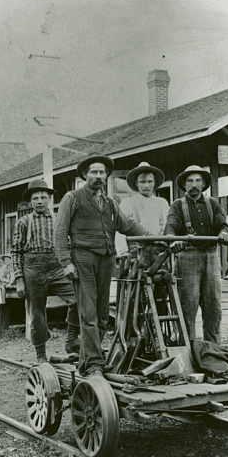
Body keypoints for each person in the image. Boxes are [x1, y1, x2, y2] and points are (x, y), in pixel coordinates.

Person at [55, 154, 150, 377]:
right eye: (94, 172)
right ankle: (95, 363)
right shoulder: (73, 198)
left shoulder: (110, 203)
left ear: (106, 176)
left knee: (103, 313)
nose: (98, 176)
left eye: (101, 172)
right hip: (83, 259)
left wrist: (153, 237)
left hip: (106, 259)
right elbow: (60, 231)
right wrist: (65, 262)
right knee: (88, 313)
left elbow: (128, 226)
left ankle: (88, 359)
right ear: (85, 175)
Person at [12, 178, 80, 363]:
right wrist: (19, 279)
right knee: (37, 314)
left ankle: (72, 340)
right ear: (30, 202)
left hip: (58, 266)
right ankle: (41, 354)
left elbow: (71, 245)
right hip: (33, 268)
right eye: (35, 198)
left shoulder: (60, 218)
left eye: (43, 197)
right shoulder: (23, 222)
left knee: (78, 298)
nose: (40, 201)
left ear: (49, 198)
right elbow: (16, 251)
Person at [164, 165, 228, 344]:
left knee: (213, 306)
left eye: (198, 181)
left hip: (211, 256)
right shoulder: (177, 205)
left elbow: (222, 224)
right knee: (188, 306)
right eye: (190, 181)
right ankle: (188, 350)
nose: (194, 185)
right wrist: (173, 240)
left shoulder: (213, 204)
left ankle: (213, 350)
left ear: (203, 184)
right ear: (184, 185)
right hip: (188, 257)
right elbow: (170, 226)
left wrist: (225, 232)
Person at [119, 161, 170, 267]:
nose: (146, 185)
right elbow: (119, 230)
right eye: (142, 182)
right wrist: (123, 253)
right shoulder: (128, 203)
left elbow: (168, 227)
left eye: (149, 181)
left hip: (160, 252)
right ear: (136, 183)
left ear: (154, 182)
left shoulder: (162, 203)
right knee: (136, 281)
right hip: (136, 253)